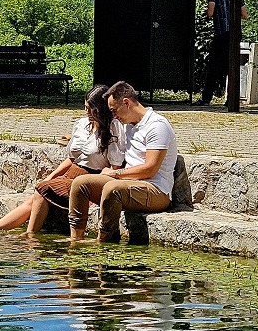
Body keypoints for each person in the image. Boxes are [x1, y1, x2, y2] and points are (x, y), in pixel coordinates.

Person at [0, 85, 122, 235]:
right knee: (36, 195)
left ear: (101, 109)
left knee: (42, 190)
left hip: (89, 179)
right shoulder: (81, 124)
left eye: (91, 109)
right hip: (72, 173)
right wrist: (51, 176)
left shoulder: (113, 129)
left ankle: (30, 235)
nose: (87, 112)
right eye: (85, 107)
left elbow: (114, 166)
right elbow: (71, 158)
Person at [69, 81, 177, 242]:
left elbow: (150, 169)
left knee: (113, 188)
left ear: (126, 103)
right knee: (80, 183)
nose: (113, 116)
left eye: (114, 110)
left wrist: (116, 173)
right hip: (130, 184)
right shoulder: (127, 125)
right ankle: (76, 240)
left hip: (156, 189)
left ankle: (104, 242)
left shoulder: (157, 126)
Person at [197, 0, 247, 105]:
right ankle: (231, 99)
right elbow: (244, 15)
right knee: (232, 66)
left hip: (221, 33)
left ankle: (206, 98)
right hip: (235, 34)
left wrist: (208, 14)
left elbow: (210, 12)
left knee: (214, 65)